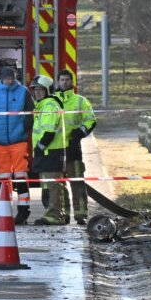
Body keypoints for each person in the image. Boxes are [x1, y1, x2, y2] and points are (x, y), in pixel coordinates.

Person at [0, 63, 33, 222]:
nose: (9, 81)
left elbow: (29, 115)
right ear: (2, 78)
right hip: (0, 142)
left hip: (18, 140)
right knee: (4, 178)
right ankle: (6, 210)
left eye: (11, 78)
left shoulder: (23, 92)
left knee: (21, 175)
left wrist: (23, 131)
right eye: (6, 78)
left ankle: (23, 210)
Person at [57, 70, 99, 223]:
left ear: (72, 82)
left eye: (67, 80)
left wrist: (79, 133)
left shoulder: (80, 101)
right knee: (59, 186)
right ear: (58, 82)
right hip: (56, 150)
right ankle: (63, 214)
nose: (65, 82)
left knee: (77, 183)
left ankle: (81, 215)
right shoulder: (52, 101)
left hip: (73, 149)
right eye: (62, 80)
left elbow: (90, 120)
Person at [31, 76, 69, 224]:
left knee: (53, 185)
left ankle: (54, 215)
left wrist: (39, 148)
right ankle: (57, 214)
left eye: (41, 89)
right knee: (50, 185)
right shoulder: (43, 105)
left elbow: (49, 132)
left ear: (48, 90)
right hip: (47, 152)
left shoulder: (49, 106)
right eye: (35, 89)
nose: (37, 92)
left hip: (51, 151)